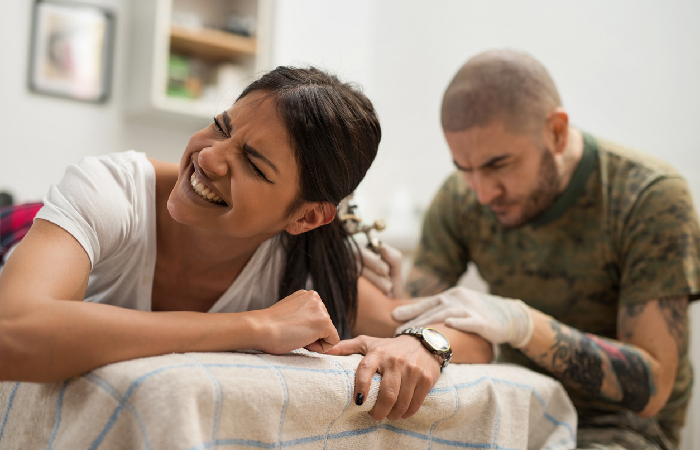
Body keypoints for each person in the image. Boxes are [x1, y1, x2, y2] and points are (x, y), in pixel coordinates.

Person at [0, 66, 492, 422]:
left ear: (306, 217)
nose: (211, 159)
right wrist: (253, 326)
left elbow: (475, 337)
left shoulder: (307, 265)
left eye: (254, 165)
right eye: (221, 126)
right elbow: (11, 333)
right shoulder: (112, 189)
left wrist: (425, 346)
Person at [377, 50, 699, 449]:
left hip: (619, 428)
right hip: (518, 403)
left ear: (557, 132)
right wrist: (384, 294)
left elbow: (653, 387)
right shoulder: (461, 198)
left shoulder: (648, 197)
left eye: (499, 164)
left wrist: (523, 324)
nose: (482, 191)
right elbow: (418, 316)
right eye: (465, 168)